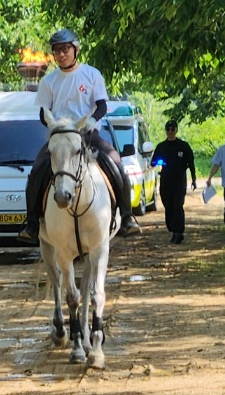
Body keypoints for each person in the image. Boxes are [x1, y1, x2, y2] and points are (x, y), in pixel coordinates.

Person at [17, 29, 141, 244]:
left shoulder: (92, 74)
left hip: (88, 134)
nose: (61, 54)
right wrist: (55, 127)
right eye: (57, 51)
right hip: (61, 137)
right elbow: (42, 113)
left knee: (116, 164)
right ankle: (32, 223)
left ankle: (127, 216)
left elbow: (102, 106)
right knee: (37, 169)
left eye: (65, 49)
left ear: (76, 49)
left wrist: (91, 122)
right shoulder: (49, 81)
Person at [151, 120, 197, 244]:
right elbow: (153, 162)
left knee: (178, 205)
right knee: (168, 205)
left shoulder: (183, 146)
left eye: (173, 129)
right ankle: (172, 228)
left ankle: (179, 232)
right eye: (168, 129)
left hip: (179, 181)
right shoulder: (161, 146)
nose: (170, 132)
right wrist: (159, 162)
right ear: (166, 131)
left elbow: (191, 163)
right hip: (166, 181)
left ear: (176, 130)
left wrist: (194, 179)